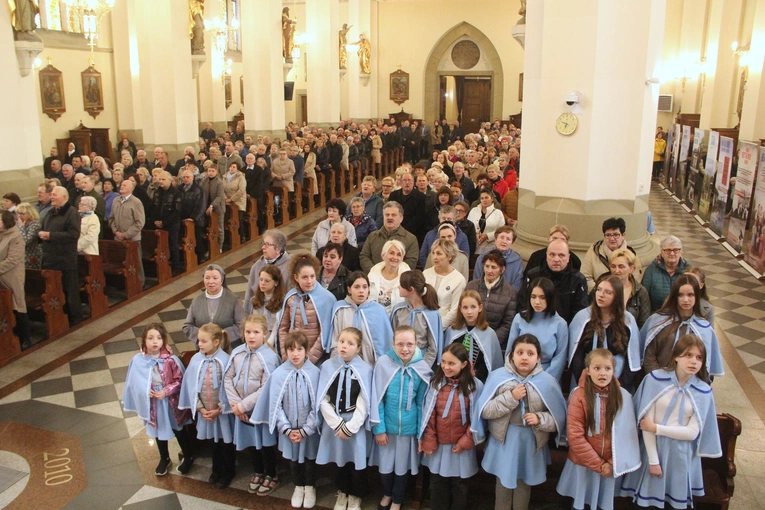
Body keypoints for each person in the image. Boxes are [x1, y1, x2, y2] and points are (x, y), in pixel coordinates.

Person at [620, 335, 721, 508]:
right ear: (675, 356)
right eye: (688, 355)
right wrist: (653, 461)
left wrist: (657, 428)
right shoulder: (655, 380)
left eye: (699, 357)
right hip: (653, 451)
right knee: (645, 503)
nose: (694, 362)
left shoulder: (703, 391)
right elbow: (645, 425)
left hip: (681, 456)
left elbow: (691, 433)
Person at [474, 334, 567, 510]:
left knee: (523, 484)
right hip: (505, 440)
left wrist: (540, 419)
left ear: (538, 358)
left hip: (529, 442)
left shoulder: (548, 383)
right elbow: (485, 411)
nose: (525, 357)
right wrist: (511, 397)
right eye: (520, 352)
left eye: (530, 353)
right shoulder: (498, 377)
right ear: (512, 355)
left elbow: (557, 419)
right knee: (502, 483)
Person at [556, 349, 640, 510]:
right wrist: (599, 465)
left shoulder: (624, 397)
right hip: (584, 464)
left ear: (614, 371)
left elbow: (627, 435)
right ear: (587, 371)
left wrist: (611, 463)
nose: (603, 373)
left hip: (610, 466)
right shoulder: (578, 396)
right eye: (597, 368)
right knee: (580, 504)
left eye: (607, 368)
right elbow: (575, 436)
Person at [251, 331, 320, 509]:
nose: (295, 354)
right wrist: (287, 429)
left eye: (299, 349)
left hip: (308, 431)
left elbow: (318, 406)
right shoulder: (279, 373)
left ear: (306, 350)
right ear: (286, 351)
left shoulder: (315, 373)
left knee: (309, 461)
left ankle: (310, 487)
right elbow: (276, 405)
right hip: (289, 430)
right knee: (294, 461)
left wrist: (305, 429)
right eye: (291, 350)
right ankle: (298, 486)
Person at [370, 326, 433, 510]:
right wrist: (378, 429)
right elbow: (378, 398)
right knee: (386, 467)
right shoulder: (383, 363)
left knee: (401, 469)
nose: (405, 349)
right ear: (393, 344)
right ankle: (387, 493)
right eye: (400, 344)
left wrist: (421, 433)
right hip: (387, 428)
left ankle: (397, 499)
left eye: (409, 344)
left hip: (408, 429)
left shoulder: (422, 368)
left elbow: (422, 403)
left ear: (416, 344)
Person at [122, 323, 194, 476]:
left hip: (170, 402)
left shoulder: (170, 360)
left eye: (159, 338)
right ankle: (164, 458)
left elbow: (180, 380)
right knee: (158, 430)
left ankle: (188, 456)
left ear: (163, 340)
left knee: (178, 429)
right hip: (154, 402)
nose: (155, 342)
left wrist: (166, 390)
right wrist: (145, 390)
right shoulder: (138, 360)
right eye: (151, 338)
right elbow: (134, 382)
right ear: (144, 340)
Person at [222, 313, 282, 496]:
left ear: (265, 333)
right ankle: (258, 471)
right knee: (252, 444)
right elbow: (228, 378)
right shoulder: (237, 352)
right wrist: (235, 404)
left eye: (256, 332)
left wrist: (243, 406)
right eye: (248, 332)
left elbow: (266, 388)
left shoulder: (269, 357)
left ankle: (272, 474)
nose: (251, 336)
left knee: (265, 445)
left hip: (259, 410)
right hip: (240, 409)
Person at [419, 343, 482, 510]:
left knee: (459, 486)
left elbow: (476, 417)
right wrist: (429, 438)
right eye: (444, 362)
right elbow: (429, 413)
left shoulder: (474, 386)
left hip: (461, 447)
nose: (446, 367)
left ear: (464, 364)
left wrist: (467, 439)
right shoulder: (436, 383)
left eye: (451, 363)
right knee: (438, 485)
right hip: (439, 446)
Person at [316, 327, 373, 510]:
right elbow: (322, 398)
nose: (344, 346)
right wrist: (337, 423)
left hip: (354, 424)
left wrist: (350, 426)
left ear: (358, 348)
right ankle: (342, 491)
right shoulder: (328, 366)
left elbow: (364, 401)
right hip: (334, 423)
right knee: (338, 462)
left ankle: (356, 494)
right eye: (341, 342)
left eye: (350, 344)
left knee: (356, 463)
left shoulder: (365, 369)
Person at [179, 323, 236, 489]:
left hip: (222, 412)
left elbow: (229, 387)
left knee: (226, 443)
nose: (199, 344)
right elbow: (191, 386)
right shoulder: (196, 359)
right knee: (214, 443)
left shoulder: (225, 360)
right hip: (206, 411)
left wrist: (219, 409)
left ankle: (228, 471)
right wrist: (201, 408)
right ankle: (216, 469)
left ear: (216, 342)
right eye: (198, 341)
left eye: (204, 341)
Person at [637, 275, 723, 379]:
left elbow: (705, 364)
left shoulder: (704, 328)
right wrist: (660, 380)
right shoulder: (658, 321)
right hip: (658, 382)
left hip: (690, 385)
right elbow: (649, 357)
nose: (685, 299)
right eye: (680, 295)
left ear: (697, 296)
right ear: (674, 296)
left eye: (690, 295)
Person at [568, 274, 640, 389]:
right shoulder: (582, 317)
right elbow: (575, 356)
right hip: (586, 378)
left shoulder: (627, 320)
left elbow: (632, 360)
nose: (601, 295)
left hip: (617, 378)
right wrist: (587, 383)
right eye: (599, 290)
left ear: (617, 296)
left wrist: (619, 386)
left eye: (608, 292)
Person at [274, 254, 336, 365]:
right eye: (305, 277)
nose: (309, 281)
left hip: (315, 360)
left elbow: (324, 334)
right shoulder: (291, 297)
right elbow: (283, 328)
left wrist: (308, 360)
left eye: (312, 276)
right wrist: (286, 355)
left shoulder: (326, 298)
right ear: (296, 277)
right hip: (292, 356)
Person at [39, 186, 83, 324]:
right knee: (55, 291)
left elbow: (73, 234)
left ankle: (75, 319)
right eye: (51, 194)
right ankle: (60, 318)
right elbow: (44, 229)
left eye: (54, 195)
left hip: (65, 259)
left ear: (64, 197)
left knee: (70, 291)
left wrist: (51, 236)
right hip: (50, 259)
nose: (51, 197)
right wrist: (40, 235)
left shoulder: (71, 212)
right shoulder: (50, 213)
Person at [328, 271, 393, 365]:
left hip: (369, 363)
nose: (361, 290)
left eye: (364, 287)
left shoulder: (378, 310)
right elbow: (335, 339)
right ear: (349, 289)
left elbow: (385, 342)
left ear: (369, 289)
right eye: (357, 287)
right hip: (343, 362)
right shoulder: (340, 309)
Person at [520, 239, 589, 324]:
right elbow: (523, 304)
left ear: (568, 258)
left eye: (561, 255)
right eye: (552, 255)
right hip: (534, 325)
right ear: (546, 256)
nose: (556, 259)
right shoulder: (533, 276)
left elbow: (580, 312)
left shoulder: (578, 280)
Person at [444, 290, 503, 383]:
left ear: (480, 308)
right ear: (460, 309)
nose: (469, 312)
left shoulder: (489, 334)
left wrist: (475, 376)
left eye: (473, 307)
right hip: (453, 380)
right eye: (465, 307)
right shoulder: (452, 331)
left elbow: (491, 364)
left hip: (478, 381)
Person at [390, 270, 444, 368]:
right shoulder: (398, 310)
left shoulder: (431, 314)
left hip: (421, 362)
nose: (398, 287)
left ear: (411, 289)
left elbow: (433, 348)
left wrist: (423, 367)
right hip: (398, 362)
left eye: (401, 285)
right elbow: (392, 336)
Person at [182, 264, 246, 346]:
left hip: (229, 348)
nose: (211, 282)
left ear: (222, 280)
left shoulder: (233, 300)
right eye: (207, 278)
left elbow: (242, 325)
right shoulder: (196, 301)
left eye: (215, 278)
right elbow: (187, 326)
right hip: (204, 350)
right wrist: (204, 336)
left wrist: (222, 336)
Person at [581, 217, 643, 292]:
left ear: (623, 235)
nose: (612, 238)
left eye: (616, 235)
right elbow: (585, 277)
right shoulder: (594, 251)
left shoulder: (631, 254)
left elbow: (635, 280)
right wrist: (601, 292)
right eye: (608, 235)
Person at [0, 210, 30, 349]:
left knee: (17, 304)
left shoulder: (15, 236)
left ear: (6, 221)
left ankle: (25, 337)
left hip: (11, 276)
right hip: (1, 275)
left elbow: (12, 259)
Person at [360, 201, 419, 272]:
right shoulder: (372, 236)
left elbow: (410, 262)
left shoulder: (411, 239)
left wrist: (390, 274)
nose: (389, 217)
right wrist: (375, 272)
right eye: (387, 215)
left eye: (393, 215)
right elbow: (364, 256)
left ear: (401, 218)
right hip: (373, 279)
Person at [109, 179, 146, 285]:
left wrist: (126, 234)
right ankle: (123, 284)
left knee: (136, 262)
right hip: (118, 238)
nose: (121, 186)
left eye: (124, 185)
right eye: (121, 185)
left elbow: (139, 222)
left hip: (132, 239)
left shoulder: (136, 202)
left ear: (131, 189)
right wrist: (115, 231)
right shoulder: (116, 200)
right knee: (121, 262)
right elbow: (111, 218)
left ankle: (140, 282)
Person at [423, 239, 466, 329]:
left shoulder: (458, 279)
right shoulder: (426, 274)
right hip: (422, 323)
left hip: (443, 327)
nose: (434, 257)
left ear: (449, 256)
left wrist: (438, 327)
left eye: (439, 254)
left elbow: (455, 310)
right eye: (433, 253)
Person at [642, 235, 690, 312]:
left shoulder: (688, 270)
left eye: (675, 250)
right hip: (657, 316)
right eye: (668, 250)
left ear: (681, 252)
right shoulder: (651, 270)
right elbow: (643, 299)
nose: (671, 253)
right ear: (661, 252)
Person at [244, 230, 293, 302]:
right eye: (263, 244)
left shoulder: (290, 266)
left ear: (278, 249)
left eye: (267, 244)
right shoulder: (257, 266)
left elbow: (292, 297)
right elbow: (249, 294)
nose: (263, 247)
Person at [473, 226, 524, 292]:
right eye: (502, 238)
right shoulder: (483, 256)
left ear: (512, 242)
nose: (504, 241)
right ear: (495, 239)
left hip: (507, 297)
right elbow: (477, 279)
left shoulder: (516, 260)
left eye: (508, 239)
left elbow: (517, 285)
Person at [609, 248, 651, 328]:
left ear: (631, 269)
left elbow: (644, 322)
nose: (616, 270)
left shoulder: (640, 291)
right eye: (613, 266)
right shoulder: (602, 288)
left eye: (621, 267)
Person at [247, 265, 285, 340]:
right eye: (261, 280)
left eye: (267, 281)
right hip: (257, 338)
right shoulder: (254, 300)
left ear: (276, 283)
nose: (262, 283)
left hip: (276, 339)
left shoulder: (283, 301)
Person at [389, 172, 429, 243]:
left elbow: (419, 218)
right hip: (395, 231)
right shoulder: (393, 195)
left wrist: (403, 231)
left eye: (409, 180)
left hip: (414, 234)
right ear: (401, 182)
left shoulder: (421, 197)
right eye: (404, 180)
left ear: (413, 183)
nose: (407, 183)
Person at [468, 186, 505, 253]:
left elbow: (501, 231)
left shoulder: (498, 213)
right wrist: (475, 234)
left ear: (492, 199)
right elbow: (469, 226)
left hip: (491, 247)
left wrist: (487, 236)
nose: (484, 200)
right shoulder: (473, 210)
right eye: (482, 198)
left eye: (486, 198)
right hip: (475, 247)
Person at [200, 164, 226, 250]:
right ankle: (209, 247)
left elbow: (220, 196)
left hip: (218, 208)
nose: (210, 173)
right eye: (209, 171)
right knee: (208, 228)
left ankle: (220, 246)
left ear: (216, 172)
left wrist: (212, 205)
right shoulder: (204, 181)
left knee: (219, 228)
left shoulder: (219, 182)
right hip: (206, 208)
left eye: (212, 171)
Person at [222, 161, 247, 242]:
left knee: (238, 219)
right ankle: (228, 238)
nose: (231, 168)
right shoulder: (225, 176)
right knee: (227, 219)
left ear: (237, 169)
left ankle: (241, 235)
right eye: (230, 166)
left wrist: (231, 199)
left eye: (234, 167)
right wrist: (226, 199)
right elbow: (222, 189)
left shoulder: (240, 177)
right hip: (227, 201)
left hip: (238, 201)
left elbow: (241, 190)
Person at [15, 202, 42, 269]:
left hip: (31, 256)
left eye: (22, 214)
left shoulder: (35, 225)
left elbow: (25, 241)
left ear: (30, 214)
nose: (19, 216)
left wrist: (21, 227)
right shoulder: (17, 223)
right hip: (20, 256)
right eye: (18, 213)